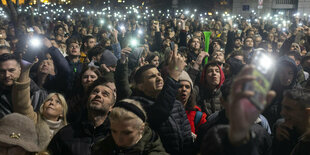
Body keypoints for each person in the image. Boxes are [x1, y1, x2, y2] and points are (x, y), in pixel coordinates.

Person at [131, 48, 193, 155]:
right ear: (140, 86)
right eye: (152, 76)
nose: (159, 78)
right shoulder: (136, 106)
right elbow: (158, 116)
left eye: (159, 75)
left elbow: (186, 135)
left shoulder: (176, 104)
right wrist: (174, 75)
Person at [47, 79, 116, 155]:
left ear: (111, 107)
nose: (98, 95)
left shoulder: (116, 137)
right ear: (87, 101)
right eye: (95, 92)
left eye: (105, 94)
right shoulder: (66, 133)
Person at [12, 59, 68, 141]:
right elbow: (22, 105)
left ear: (62, 113)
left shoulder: (67, 132)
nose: (52, 102)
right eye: (49, 100)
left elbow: (67, 71)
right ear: (43, 106)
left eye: (58, 102)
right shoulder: (33, 120)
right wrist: (25, 69)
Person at [92, 99, 168, 155]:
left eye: (127, 133)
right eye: (114, 131)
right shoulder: (99, 149)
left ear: (141, 129)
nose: (118, 140)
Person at [0, 53, 47, 118]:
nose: (7, 75)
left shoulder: (37, 94)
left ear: (20, 69)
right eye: (2, 71)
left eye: (11, 70)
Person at [177, 71, 207, 135]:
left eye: (187, 87)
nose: (184, 89)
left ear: (191, 92)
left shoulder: (198, 115)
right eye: (180, 86)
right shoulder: (167, 111)